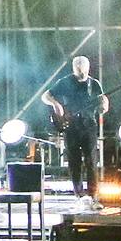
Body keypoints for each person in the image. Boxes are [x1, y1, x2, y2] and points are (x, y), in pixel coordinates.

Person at [39, 54, 109, 201]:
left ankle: (93, 194)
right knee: (74, 160)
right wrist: (56, 104)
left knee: (91, 159)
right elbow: (45, 96)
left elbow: (102, 101)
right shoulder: (65, 82)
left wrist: (104, 105)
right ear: (73, 69)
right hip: (71, 126)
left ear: (88, 68)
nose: (81, 73)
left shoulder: (94, 84)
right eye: (78, 71)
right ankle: (79, 193)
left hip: (88, 125)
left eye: (83, 70)